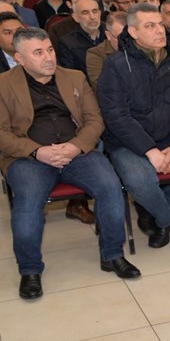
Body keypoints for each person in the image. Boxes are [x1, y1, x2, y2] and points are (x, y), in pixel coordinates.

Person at [0, 27, 141, 299]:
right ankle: (30, 270)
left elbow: (95, 119)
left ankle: (112, 255)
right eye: (38, 53)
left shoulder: (74, 77)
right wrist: (36, 151)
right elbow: (2, 132)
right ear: (19, 57)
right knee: (28, 200)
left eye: (50, 50)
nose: (49, 58)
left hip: (76, 151)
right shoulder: (4, 84)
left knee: (111, 186)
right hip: (28, 157)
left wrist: (76, 146)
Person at [97, 3, 170, 248]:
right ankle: (165, 216)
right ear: (133, 32)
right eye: (150, 26)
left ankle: (152, 205)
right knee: (140, 181)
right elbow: (116, 115)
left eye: (160, 24)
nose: (159, 30)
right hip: (130, 143)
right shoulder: (117, 65)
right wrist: (148, 150)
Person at [56, 0, 103, 74]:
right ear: (76, 17)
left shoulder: (111, 36)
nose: (92, 17)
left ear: (100, 13)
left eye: (95, 11)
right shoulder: (67, 43)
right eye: (85, 13)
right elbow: (70, 75)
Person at [85, 11, 127, 88]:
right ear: (108, 35)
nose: (126, 41)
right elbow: (103, 86)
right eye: (120, 38)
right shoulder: (96, 54)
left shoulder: (143, 47)